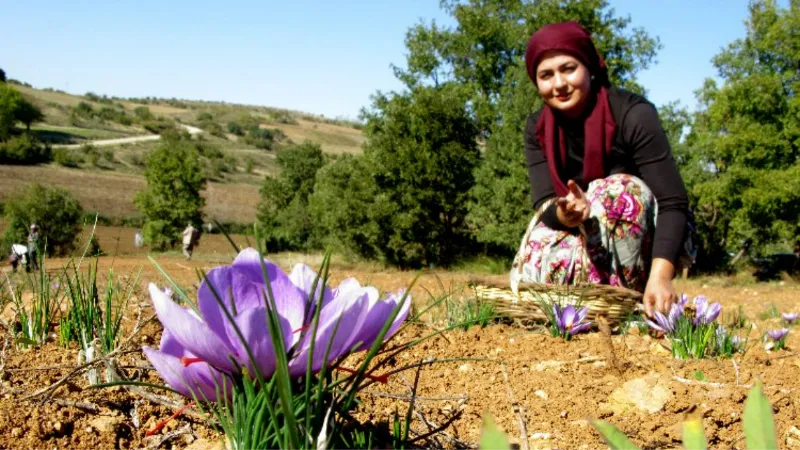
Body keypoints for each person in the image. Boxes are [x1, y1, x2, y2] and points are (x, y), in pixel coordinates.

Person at [509, 21, 695, 319]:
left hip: (642, 234)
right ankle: (573, 309)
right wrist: (565, 213)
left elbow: (674, 202)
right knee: (540, 237)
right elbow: (543, 202)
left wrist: (661, 276)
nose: (558, 84)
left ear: (589, 67)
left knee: (617, 191)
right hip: (578, 230)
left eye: (568, 69)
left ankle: (627, 300)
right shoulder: (537, 128)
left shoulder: (633, 114)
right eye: (546, 75)